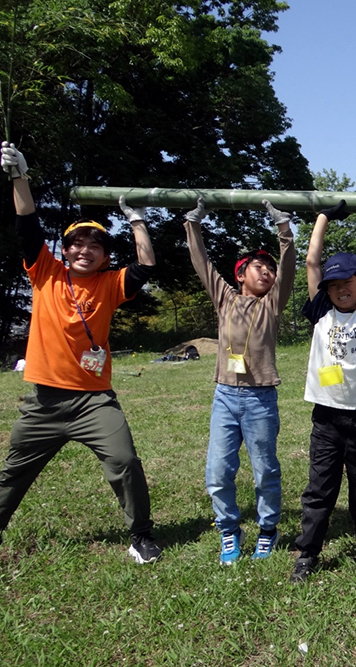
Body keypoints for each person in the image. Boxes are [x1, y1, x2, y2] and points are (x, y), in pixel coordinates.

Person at [0, 141, 161, 563]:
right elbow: (27, 223)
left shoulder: (110, 284)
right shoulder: (45, 273)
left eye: (95, 246)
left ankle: (141, 536)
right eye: (76, 244)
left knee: (125, 460)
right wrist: (20, 176)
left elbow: (146, 265)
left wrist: (137, 219)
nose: (84, 250)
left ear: (106, 255)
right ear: (66, 250)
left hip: (93, 402)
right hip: (43, 402)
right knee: (13, 474)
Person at [182, 197, 296, 564]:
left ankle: (267, 530)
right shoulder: (225, 300)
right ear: (240, 274)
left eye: (270, 269)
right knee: (218, 472)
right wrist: (193, 224)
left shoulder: (272, 305)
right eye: (259, 267)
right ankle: (229, 531)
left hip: (261, 398)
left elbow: (290, 268)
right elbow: (202, 263)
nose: (267, 272)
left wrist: (284, 231)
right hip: (225, 396)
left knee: (265, 470)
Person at [290, 202, 356, 582]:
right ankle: (307, 553)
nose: (339, 290)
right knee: (320, 486)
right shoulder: (322, 312)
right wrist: (323, 217)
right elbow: (311, 264)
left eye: (346, 284)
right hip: (327, 415)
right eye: (333, 286)